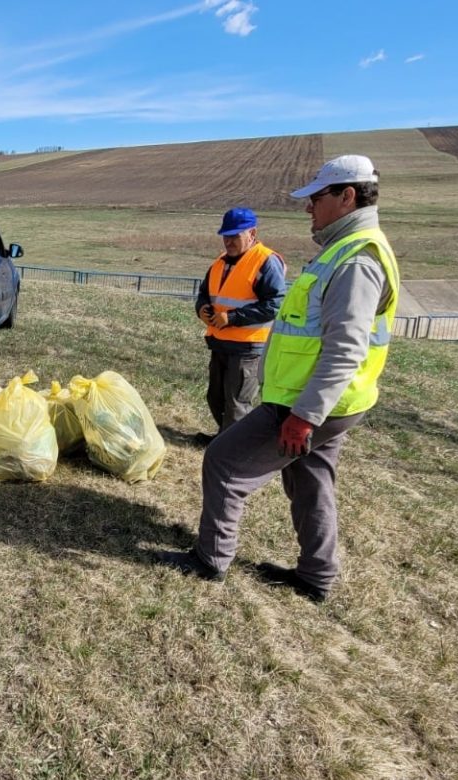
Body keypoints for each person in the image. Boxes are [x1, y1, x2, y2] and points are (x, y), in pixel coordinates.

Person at [157, 155, 399, 601]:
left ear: (348, 196)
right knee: (310, 479)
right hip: (331, 401)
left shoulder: (356, 261)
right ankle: (316, 575)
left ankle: (210, 559)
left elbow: (346, 348)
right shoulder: (346, 250)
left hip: (308, 402)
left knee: (225, 461)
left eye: (317, 198)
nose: (309, 207)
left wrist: (304, 415)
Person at [194, 207, 286, 442]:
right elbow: (205, 293)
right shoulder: (219, 263)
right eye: (226, 236)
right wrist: (202, 308)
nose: (229, 241)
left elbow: (274, 305)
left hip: (248, 348)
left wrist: (233, 318)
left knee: (236, 403)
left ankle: (231, 449)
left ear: (252, 233)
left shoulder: (266, 262)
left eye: (235, 236)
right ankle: (223, 439)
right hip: (220, 344)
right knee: (215, 397)